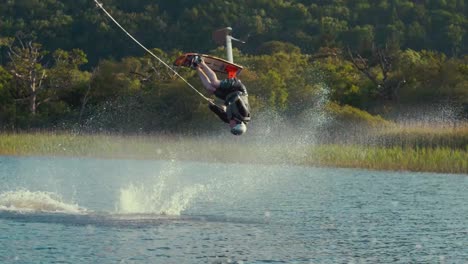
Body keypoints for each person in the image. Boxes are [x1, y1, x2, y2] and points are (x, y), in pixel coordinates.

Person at [191, 56, 251, 135]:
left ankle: (197, 67)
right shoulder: (244, 114)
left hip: (227, 96)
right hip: (237, 89)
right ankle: (201, 62)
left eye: (231, 127)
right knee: (214, 83)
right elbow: (237, 99)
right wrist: (225, 105)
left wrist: (211, 104)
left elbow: (217, 111)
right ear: (238, 123)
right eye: (232, 126)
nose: (230, 125)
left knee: (210, 88)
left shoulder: (227, 119)